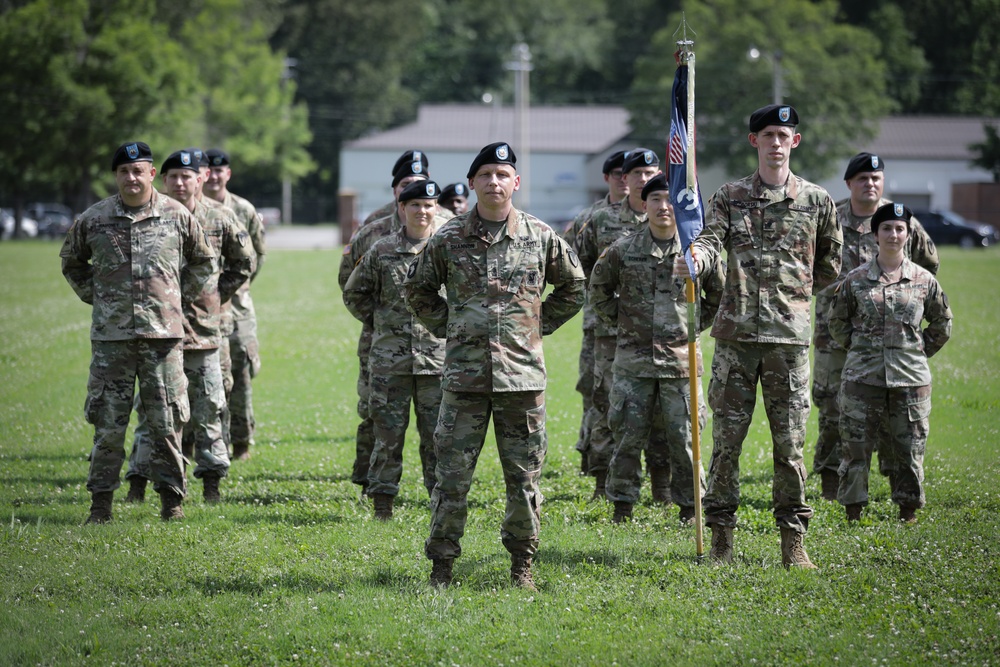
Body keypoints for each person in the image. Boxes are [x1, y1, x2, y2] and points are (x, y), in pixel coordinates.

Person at [403, 142, 585, 590]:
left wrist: (536, 327)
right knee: (451, 480)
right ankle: (442, 566)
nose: (494, 182)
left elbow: (575, 287)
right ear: (472, 183)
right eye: (485, 174)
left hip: (521, 382)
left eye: (503, 174)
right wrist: (451, 327)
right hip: (463, 379)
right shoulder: (448, 238)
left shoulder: (539, 236)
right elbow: (418, 289)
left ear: (516, 182)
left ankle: (522, 564)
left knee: (524, 481)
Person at [689, 104, 843, 568]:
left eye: (784, 134)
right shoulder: (728, 196)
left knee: (790, 446)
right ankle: (720, 541)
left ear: (795, 142)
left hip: (788, 344)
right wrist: (697, 256)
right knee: (726, 445)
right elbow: (710, 240)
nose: (776, 142)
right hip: (735, 341)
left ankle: (793, 542)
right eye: (768, 135)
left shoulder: (816, 201)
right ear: (754, 141)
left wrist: (790, 302)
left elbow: (829, 267)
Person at [60, 141, 215, 523]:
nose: (131, 177)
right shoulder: (94, 219)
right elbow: (71, 262)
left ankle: (171, 503)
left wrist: (176, 300)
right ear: (116, 176)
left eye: (138, 170)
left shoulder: (177, 216)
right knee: (108, 425)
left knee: (166, 424)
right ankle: (100, 506)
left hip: (163, 340)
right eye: (124, 171)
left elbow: (204, 261)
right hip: (112, 341)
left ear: (150, 174)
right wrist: (99, 299)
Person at [590, 173, 723, 524]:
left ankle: (690, 508)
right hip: (633, 364)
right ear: (644, 205)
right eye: (656, 200)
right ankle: (622, 506)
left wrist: (693, 326)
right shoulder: (623, 249)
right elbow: (598, 291)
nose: (664, 207)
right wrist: (623, 323)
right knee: (627, 438)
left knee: (685, 439)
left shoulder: (695, 253)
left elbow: (720, 295)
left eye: (670, 200)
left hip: (680, 363)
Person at [125, 150, 255, 507]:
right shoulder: (150, 216)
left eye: (187, 176)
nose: (180, 183)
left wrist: (213, 295)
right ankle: (138, 480)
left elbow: (244, 263)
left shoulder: (221, 218)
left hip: (202, 332)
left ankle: (211, 484)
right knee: (152, 410)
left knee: (209, 408)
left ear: (201, 179)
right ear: (163, 180)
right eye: (173, 177)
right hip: (155, 333)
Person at [812, 153, 939, 500]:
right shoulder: (831, 220)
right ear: (849, 183)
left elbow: (927, 267)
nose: (870, 184)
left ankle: (892, 482)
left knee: (893, 412)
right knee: (834, 411)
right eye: (862, 178)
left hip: (890, 342)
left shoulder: (899, 222)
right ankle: (828, 486)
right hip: (832, 338)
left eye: (876, 178)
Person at [828, 203, 951, 524]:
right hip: (862, 379)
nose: (893, 234)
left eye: (899, 229)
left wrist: (916, 352)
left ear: (908, 235)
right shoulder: (855, 280)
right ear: (876, 234)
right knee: (855, 448)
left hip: (910, 381)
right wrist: (860, 351)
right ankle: (853, 510)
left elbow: (942, 324)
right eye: (886, 228)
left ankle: (907, 510)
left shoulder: (924, 281)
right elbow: (837, 322)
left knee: (909, 448)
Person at [338, 159, 451, 498]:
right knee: (386, 432)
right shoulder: (380, 245)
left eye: (428, 205)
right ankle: (381, 498)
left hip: (437, 358)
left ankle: (439, 498)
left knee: (437, 435)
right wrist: (381, 321)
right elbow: (353, 290)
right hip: (390, 359)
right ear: (400, 205)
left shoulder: (449, 243)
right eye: (414, 204)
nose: (422, 211)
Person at [577, 148, 672, 503]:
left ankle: (661, 484)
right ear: (624, 179)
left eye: (650, 173)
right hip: (610, 332)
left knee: (661, 410)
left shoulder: (669, 216)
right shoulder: (601, 220)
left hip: (661, 335)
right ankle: (603, 481)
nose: (643, 180)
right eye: (636, 174)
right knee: (606, 404)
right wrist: (609, 305)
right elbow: (582, 267)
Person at [562, 150, 629, 476]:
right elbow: (571, 266)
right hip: (598, 324)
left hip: (641, 327)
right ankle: (592, 461)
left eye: (629, 172)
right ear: (607, 177)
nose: (624, 178)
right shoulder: (591, 218)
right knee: (595, 392)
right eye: (618, 172)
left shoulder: (659, 213)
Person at [204, 148, 267, 461]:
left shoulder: (243, 209)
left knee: (240, 376)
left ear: (228, 174)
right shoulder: (186, 207)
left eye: (220, 170)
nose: (214, 176)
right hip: (197, 312)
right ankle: (207, 440)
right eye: (209, 170)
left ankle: (241, 442)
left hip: (238, 311)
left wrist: (234, 291)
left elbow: (257, 256)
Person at [361, 150, 431, 226]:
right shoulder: (375, 221)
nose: (412, 190)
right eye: (406, 185)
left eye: (419, 184)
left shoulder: (443, 219)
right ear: (395, 190)